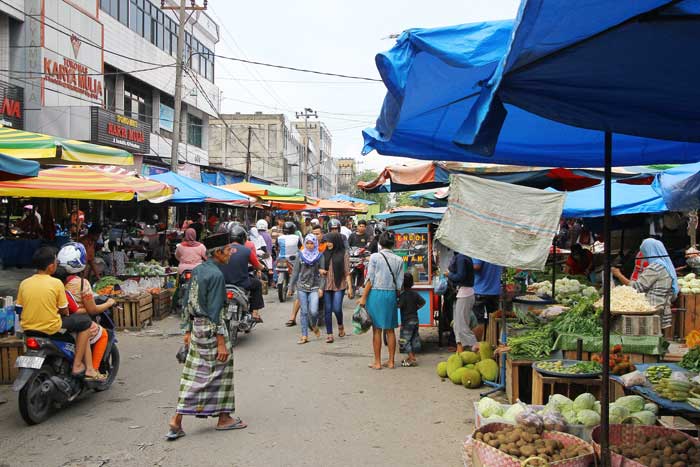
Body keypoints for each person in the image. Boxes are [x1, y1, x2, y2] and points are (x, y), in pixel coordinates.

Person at [166, 233, 247, 440]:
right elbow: (217, 311)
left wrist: (186, 330)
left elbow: (186, 301)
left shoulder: (198, 270)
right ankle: (218, 418)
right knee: (217, 371)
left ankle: (211, 416)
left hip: (197, 328)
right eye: (228, 249)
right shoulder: (217, 276)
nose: (231, 252)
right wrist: (221, 342)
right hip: (212, 330)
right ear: (218, 253)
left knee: (198, 373)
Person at [16, 247, 95, 379]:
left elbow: (19, 309)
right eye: (56, 262)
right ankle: (77, 365)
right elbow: (65, 310)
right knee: (85, 323)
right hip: (50, 328)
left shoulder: (24, 283)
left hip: (28, 329)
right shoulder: (56, 283)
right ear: (51, 267)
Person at [57, 242, 115, 380]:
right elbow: (92, 309)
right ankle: (92, 369)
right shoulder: (82, 283)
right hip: (73, 322)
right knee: (103, 334)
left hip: (58, 319)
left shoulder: (55, 281)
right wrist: (109, 303)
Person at [612, 238, 678, 333]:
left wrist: (618, 275)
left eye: (644, 252)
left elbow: (636, 288)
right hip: (662, 307)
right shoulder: (665, 266)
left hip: (652, 308)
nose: (643, 255)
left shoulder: (655, 267)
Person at [358, 231, 404, 370]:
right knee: (390, 330)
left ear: (380, 243)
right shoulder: (399, 260)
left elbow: (370, 279)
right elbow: (399, 284)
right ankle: (391, 362)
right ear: (393, 244)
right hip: (390, 295)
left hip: (376, 294)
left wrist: (363, 298)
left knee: (376, 330)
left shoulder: (375, 257)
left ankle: (377, 362)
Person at [219, 224, 265, 323]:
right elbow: (258, 266)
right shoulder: (246, 251)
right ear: (243, 238)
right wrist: (263, 267)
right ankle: (255, 313)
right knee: (257, 284)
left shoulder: (222, 249)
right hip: (241, 283)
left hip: (223, 282)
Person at [287, 234, 325, 344]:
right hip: (302, 286)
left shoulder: (320, 256)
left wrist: (321, 288)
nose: (309, 245)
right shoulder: (301, 255)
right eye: (307, 243)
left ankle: (313, 325)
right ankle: (304, 336)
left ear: (315, 244)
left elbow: (323, 273)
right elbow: (295, 272)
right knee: (304, 312)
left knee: (313, 311)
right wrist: (291, 287)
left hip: (314, 287)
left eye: (312, 243)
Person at [321, 232, 353, 343]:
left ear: (336, 241)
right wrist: (320, 270)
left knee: (337, 308)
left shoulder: (344, 253)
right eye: (327, 241)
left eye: (330, 241)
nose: (328, 244)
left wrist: (350, 288)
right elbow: (318, 267)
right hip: (326, 285)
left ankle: (340, 325)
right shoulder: (324, 253)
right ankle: (329, 334)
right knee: (328, 310)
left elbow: (347, 272)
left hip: (339, 284)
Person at [446, 252, 478, 353]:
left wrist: (449, 274)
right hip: (463, 293)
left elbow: (460, 276)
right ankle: (460, 352)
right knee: (457, 326)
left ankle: (477, 348)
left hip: (465, 293)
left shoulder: (461, 258)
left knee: (462, 326)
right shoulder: (464, 256)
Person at [399, 273, 425, 367]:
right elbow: (423, 302)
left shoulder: (403, 295)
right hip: (415, 319)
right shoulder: (415, 294)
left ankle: (412, 358)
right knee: (413, 338)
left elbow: (399, 306)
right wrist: (416, 308)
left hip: (406, 321)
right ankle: (411, 356)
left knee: (404, 340)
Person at [473, 258, 502, 341]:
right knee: (494, 320)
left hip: (480, 290)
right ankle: (494, 343)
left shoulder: (481, 249)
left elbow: (477, 266)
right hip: (494, 291)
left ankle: (478, 348)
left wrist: (465, 265)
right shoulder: (496, 251)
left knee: (479, 321)